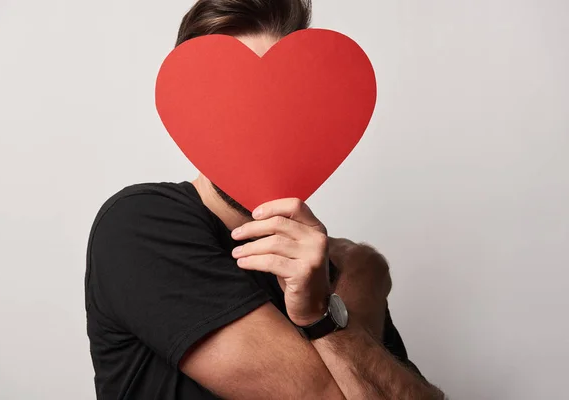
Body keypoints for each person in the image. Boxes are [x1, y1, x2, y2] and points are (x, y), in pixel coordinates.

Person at [85, 1, 445, 398]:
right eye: (231, 104)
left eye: (282, 104)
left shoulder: (319, 269)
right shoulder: (142, 225)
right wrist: (357, 286)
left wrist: (341, 289)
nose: (258, 130)